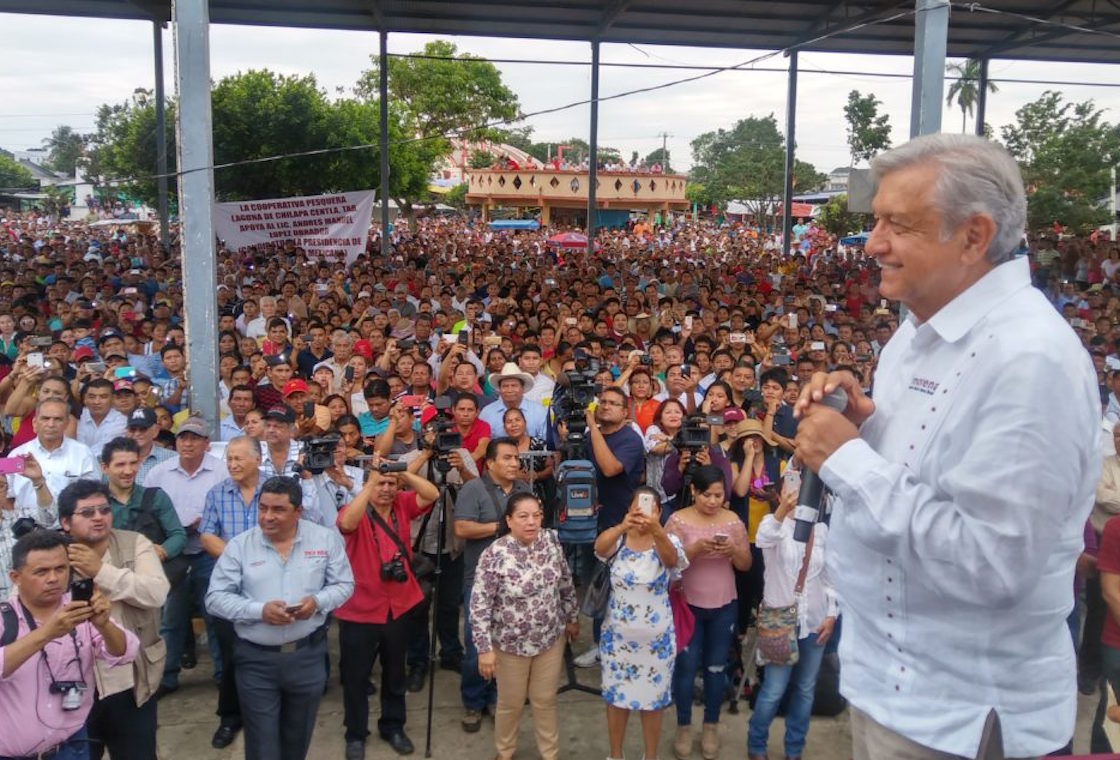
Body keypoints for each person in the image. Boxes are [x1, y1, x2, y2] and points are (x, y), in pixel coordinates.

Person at [794, 134, 1101, 758]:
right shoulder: (914, 334)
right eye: (876, 220)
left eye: (897, 224)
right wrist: (866, 426)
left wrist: (846, 458)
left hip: (962, 722)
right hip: (890, 692)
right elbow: (923, 475)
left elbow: (994, 564)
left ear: (973, 236)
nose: (872, 243)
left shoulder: (1028, 358)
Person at [206, 475, 354, 760]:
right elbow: (214, 598)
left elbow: (344, 585)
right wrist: (258, 611)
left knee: (297, 739)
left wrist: (318, 603)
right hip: (256, 661)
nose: (267, 517)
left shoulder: (324, 539)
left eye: (278, 510)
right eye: (263, 508)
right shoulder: (239, 546)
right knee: (262, 746)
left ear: (298, 512)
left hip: (308, 657)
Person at [0, 529, 138, 759]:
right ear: (16, 577)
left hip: (70, 747)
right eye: (41, 571)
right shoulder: (5, 618)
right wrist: (47, 633)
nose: (53, 578)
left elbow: (126, 652)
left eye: (61, 569)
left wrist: (104, 625)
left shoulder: (78, 610)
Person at [334, 462, 439, 759]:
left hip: (398, 606)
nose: (386, 489)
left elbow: (431, 494)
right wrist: (368, 485)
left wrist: (401, 473)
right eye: (381, 484)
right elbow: (347, 525)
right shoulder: (355, 508)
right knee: (356, 677)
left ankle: (393, 726)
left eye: (391, 484)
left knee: (395, 673)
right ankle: (355, 733)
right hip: (360, 609)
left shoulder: (402, 505)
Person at [58, 479, 169, 760]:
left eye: (104, 510)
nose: (98, 517)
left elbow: (157, 593)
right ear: (66, 522)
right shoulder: (54, 554)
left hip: (131, 680)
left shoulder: (135, 544)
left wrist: (100, 571)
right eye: (87, 513)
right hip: (74, 684)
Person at [469, 492, 579, 760]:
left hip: (549, 640)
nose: (531, 522)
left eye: (536, 515)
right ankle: (505, 751)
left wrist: (572, 616)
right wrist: (484, 650)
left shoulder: (551, 542)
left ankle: (549, 753)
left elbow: (565, 581)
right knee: (510, 703)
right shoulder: (494, 554)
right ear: (509, 520)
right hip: (509, 645)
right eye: (523, 516)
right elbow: (479, 605)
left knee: (545, 701)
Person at [666, 464, 751, 760]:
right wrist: (694, 550)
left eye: (718, 495)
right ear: (693, 491)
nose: (713, 502)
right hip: (688, 604)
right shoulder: (678, 521)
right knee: (686, 669)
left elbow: (746, 565)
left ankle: (711, 724)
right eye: (707, 495)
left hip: (725, 603)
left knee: (716, 669)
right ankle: (684, 726)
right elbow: (667, 562)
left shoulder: (733, 521)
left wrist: (734, 552)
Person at [746, 486, 838, 760]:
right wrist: (783, 508)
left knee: (806, 689)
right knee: (774, 689)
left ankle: (794, 750)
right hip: (780, 621)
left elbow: (831, 576)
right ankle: (756, 746)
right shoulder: (774, 525)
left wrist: (832, 614)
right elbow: (763, 539)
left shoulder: (821, 531)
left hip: (815, 621)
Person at [595, 488, 687, 760]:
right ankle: (616, 755)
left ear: (659, 512)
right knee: (616, 700)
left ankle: (650, 755)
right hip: (618, 640)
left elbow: (672, 563)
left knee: (653, 702)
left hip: (656, 642)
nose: (644, 513)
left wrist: (657, 531)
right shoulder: (619, 538)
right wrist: (623, 525)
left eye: (650, 508)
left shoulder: (667, 541)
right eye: (637, 507)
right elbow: (599, 548)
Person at [145, 414, 230, 695]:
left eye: (195, 438)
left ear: (207, 444)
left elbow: (227, 508)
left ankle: (222, 674)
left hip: (209, 551)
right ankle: (167, 677)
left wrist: (203, 523)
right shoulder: (160, 472)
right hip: (173, 552)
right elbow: (148, 510)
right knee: (171, 618)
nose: (188, 443)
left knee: (215, 616)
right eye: (183, 437)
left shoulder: (221, 470)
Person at [453, 437, 531, 733]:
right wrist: (499, 527)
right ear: (490, 463)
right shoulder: (473, 489)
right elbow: (462, 528)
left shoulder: (524, 490)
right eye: (508, 458)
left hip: (518, 582)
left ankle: (499, 698)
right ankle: (474, 702)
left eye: (516, 458)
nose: (514, 463)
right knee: (478, 646)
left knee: (509, 645)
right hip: (481, 582)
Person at [199, 435, 266, 749]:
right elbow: (208, 536)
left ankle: (265, 714)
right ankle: (230, 716)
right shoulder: (217, 493)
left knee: (267, 653)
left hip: (272, 584)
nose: (233, 464)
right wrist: (240, 562)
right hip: (231, 587)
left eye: (239, 458)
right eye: (229, 459)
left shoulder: (275, 490)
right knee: (231, 655)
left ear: (258, 459)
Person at [9, 397, 97, 516]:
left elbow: (94, 495)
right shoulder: (15, 455)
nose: (51, 424)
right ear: (35, 423)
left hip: (69, 529)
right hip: (26, 529)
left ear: (67, 423)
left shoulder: (83, 454)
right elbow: (5, 496)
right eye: (45, 418)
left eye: (58, 419)